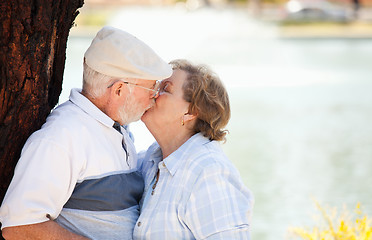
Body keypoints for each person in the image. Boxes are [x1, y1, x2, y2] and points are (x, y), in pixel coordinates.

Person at [0, 26, 172, 240]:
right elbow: (19, 227)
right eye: (150, 90)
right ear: (119, 90)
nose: (154, 97)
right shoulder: (62, 137)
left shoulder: (116, 127)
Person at [134, 59, 254, 239]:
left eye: (165, 89)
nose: (153, 93)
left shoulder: (210, 172)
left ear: (191, 112)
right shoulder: (151, 159)